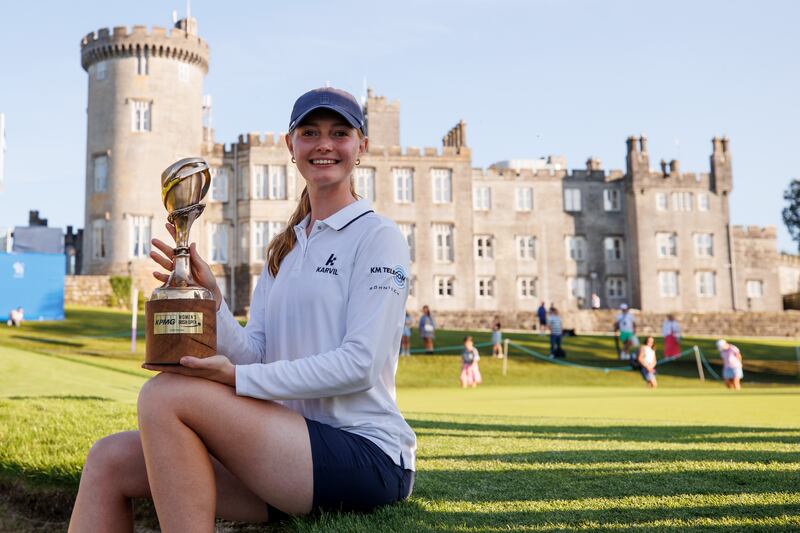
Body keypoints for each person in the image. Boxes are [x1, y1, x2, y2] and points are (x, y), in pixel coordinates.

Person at [69, 87, 416, 531]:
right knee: (108, 460)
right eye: (310, 133)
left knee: (164, 394)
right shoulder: (285, 248)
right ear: (291, 146)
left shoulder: (378, 237)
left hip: (367, 456)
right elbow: (257, 353)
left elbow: (360, 365)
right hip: (285, 451)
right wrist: (214, 302)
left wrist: (235, 378)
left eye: (339, 133)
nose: (324, 144)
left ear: (361, 147)